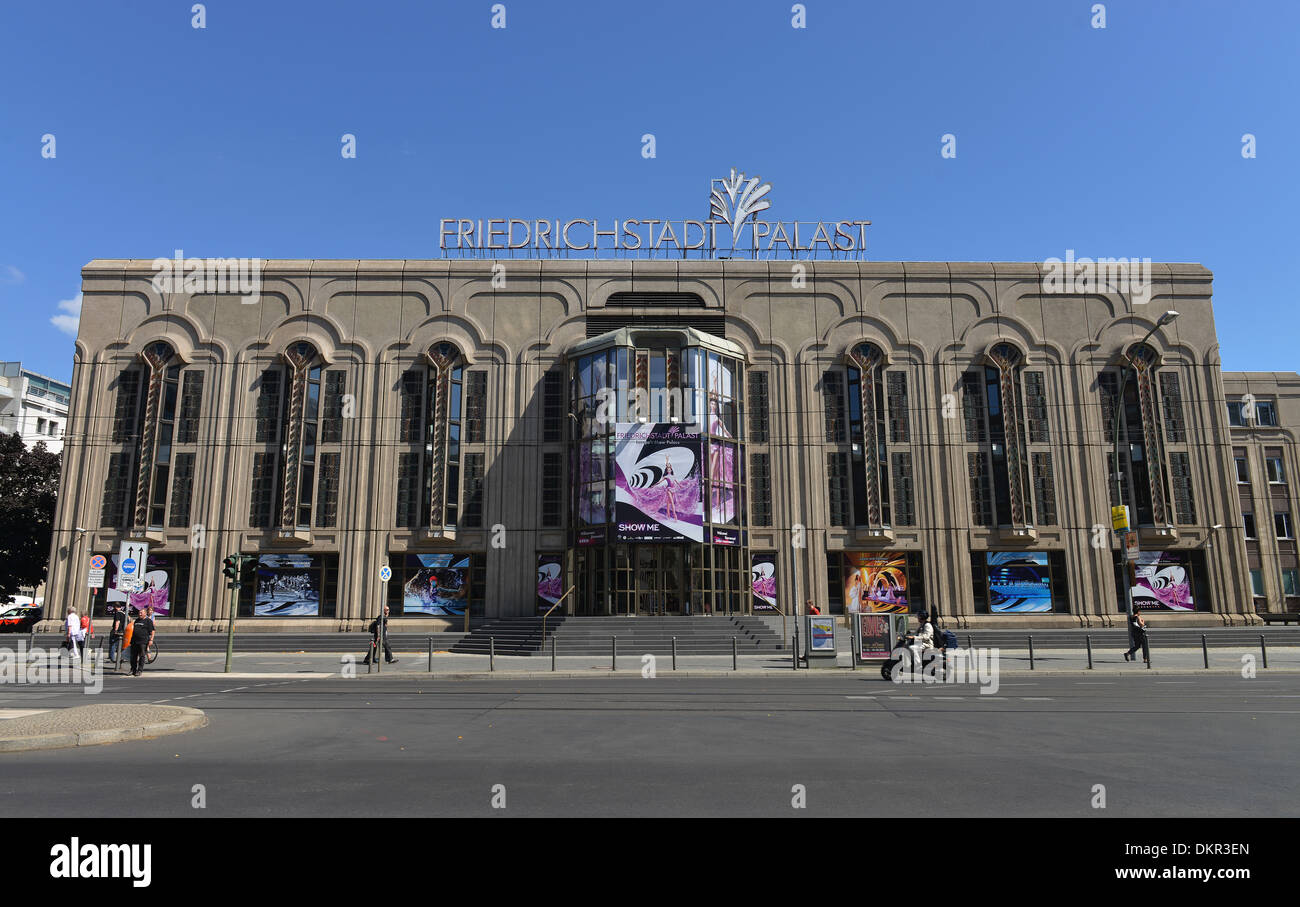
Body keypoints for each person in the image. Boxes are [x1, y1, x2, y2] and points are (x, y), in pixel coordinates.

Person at [128, 606, 155, 676]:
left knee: (142, 656)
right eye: (139, 613)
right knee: (133, 656)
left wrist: (151, 639)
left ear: (145, 613)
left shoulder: (148, 621)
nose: (139, 614)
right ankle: (133, 669)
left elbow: (152, 631)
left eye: (141, 613)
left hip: (143, 641)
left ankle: (139, 670)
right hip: (134, 641)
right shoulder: (137, 620)